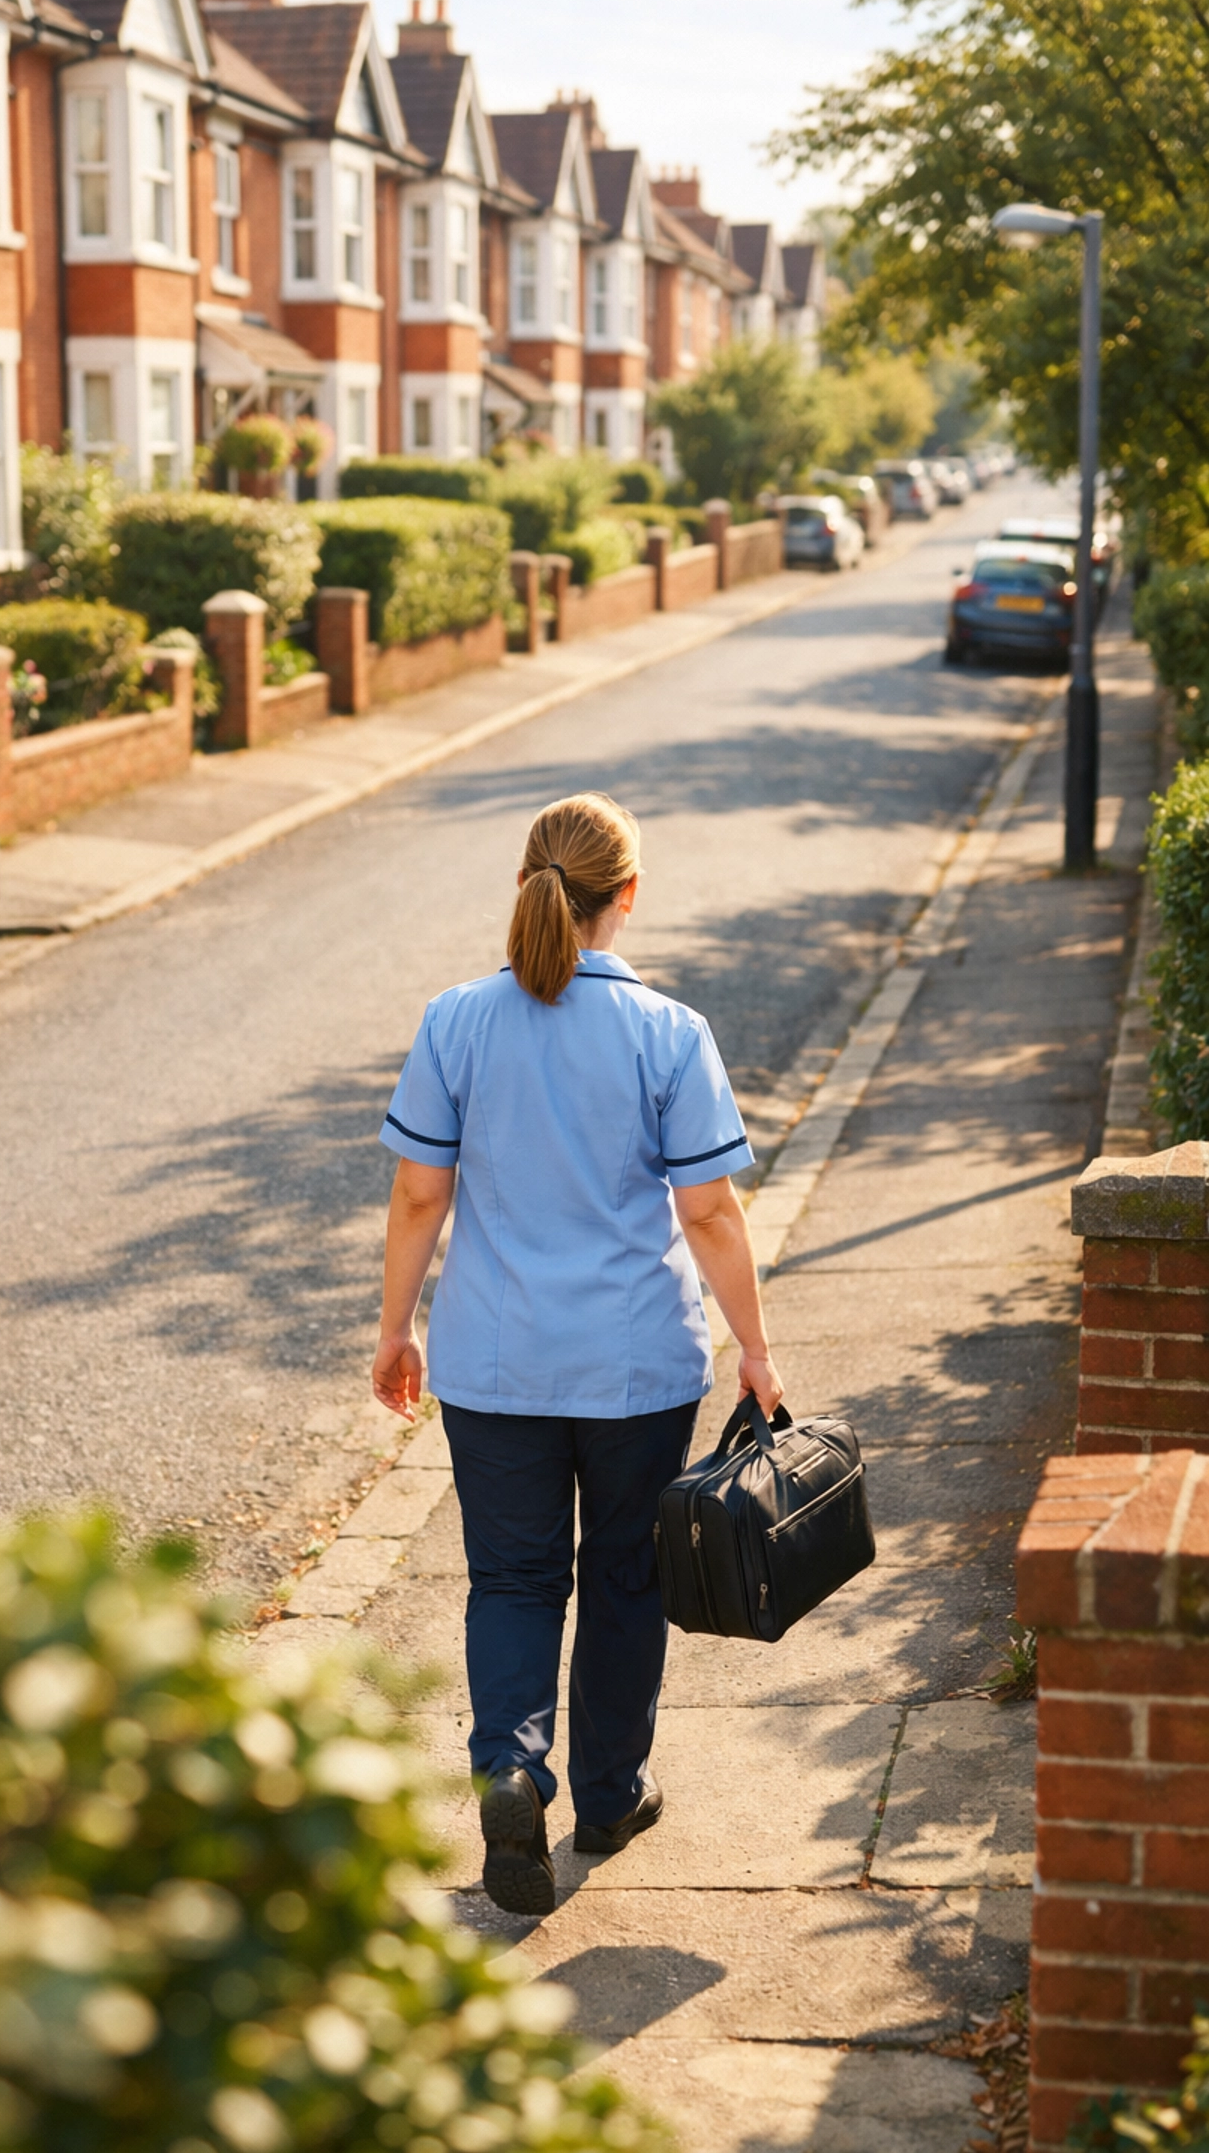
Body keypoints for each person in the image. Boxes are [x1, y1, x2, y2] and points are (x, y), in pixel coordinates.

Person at [371, 791, 783, 1915]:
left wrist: (396, 1327)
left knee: (511, 1579)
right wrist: (754, 1347)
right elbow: (708, 1215)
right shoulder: (668, 1032)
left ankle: (511, 1767)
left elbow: (419, 1193)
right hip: (634, 1367)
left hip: (494, 1367)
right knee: (623, 1574)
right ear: (628, 897)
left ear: (525, 883)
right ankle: (607, 1795)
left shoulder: (456, 1020)